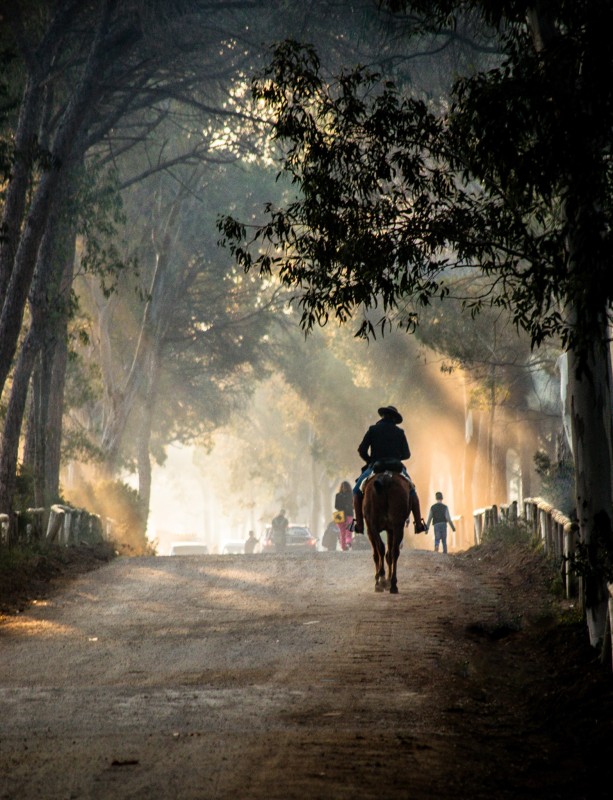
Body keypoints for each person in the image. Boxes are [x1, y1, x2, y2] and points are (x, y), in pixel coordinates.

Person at [352, 405, 426, 534]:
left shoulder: (373, 430)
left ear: (383, 416)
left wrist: (370, 460)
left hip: (376, 466)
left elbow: (361, 450)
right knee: (412, 490)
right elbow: (407, 454)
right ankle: (419, 524)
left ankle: (359, 525)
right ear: (394, 418)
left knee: (356, 492)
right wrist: (396, 457)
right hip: (396, 467)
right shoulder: (399, 432)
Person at [334, 480, 355, 551]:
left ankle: (346, 544)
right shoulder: (349, 495)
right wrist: (346, 507)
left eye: (345, 487)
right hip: (344, 515)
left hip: (344, 515)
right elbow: (336, 506)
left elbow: (336, 506)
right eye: (343, 487)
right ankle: (345, 545)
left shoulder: (350, 495)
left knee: (345, 531)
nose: (344, 488)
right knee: (345, 532)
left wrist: (344, 508)